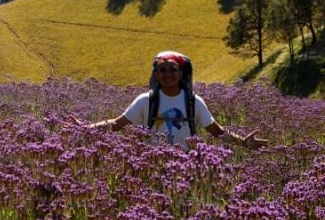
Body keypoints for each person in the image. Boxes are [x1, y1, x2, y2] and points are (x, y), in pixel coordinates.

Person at [75, 51, 267, 150]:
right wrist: (86, 129)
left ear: (181, 73)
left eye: (173, 69)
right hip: (151, 167)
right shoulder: (145, 101)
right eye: (162, 70)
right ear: (156, 74)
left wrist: (244, 143)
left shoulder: (194, 102)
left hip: (186, 169)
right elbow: (117, 124)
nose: (168, 74)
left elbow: (217, 132)